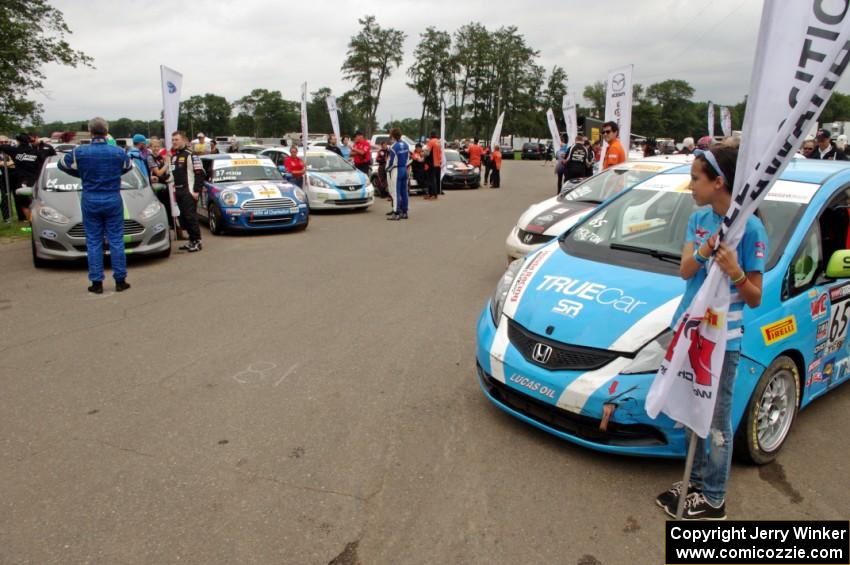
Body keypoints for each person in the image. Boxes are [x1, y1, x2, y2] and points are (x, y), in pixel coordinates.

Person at [655, 143, 766, 521]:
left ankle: (714, 496)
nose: (690, 187)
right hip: (690, 330)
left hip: (724, 339)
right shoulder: (699, 219)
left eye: (695, 179)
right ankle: (695, 481)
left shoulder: (750, 227)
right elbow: (686, 270)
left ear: (719, 182)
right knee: (690, 410)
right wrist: (704, 250)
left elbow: (754, 297)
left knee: (716, 420)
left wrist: (734, 270)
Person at [57, 118, 133, 293]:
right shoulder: (118, 151)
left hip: (90, 197)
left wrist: (81, 174)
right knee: (116, 240)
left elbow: (62, 165)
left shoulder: (79, 151)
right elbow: (128, 167)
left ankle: (97, 283)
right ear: (107, 132)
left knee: (93, 241)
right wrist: (114, 175)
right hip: (112, 196)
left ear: (91, 132)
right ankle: (120, 281)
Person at [0, 133, 56, 222]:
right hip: (36, 179)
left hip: (23, 180)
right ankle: (39, 221)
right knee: (37, 200)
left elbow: (3, 147)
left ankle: (31, 222)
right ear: (29, 141)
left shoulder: (15, 151)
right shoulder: (36, 152)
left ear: (18, 141)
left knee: (24, 202)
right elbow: (49, 156)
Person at [170, 130, 204, 252]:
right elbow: (171, 175)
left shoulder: (191, 155)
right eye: (173, 140)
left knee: (191, 217)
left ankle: (197, 241)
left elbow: (200, 173)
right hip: (178, 191)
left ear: (184, 140)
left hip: (188, 191)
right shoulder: (173, 157)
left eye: (176, 140)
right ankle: (191, 240)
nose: (174, 142)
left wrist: (196, 191)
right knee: (183, 218)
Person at [386, 128, 410, 221]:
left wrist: (388, 169)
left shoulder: (393, 147)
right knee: (404, 192)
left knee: (396, 192)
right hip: (404, 168)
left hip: (397, 170)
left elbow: (392, 162)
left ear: (393, 136)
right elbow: (408, 158)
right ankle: (405, 212)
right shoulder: (406, 145)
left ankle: (396, 213)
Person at [424, 131, 442, 199]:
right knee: (435, 179)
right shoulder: (438, 142)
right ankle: (433, 194)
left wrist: (423, 155)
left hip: (431, 162)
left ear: (431, 135)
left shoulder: (431, 142)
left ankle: (433, 195)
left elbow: (427, 153)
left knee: (431, 179)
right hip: (437, 163)